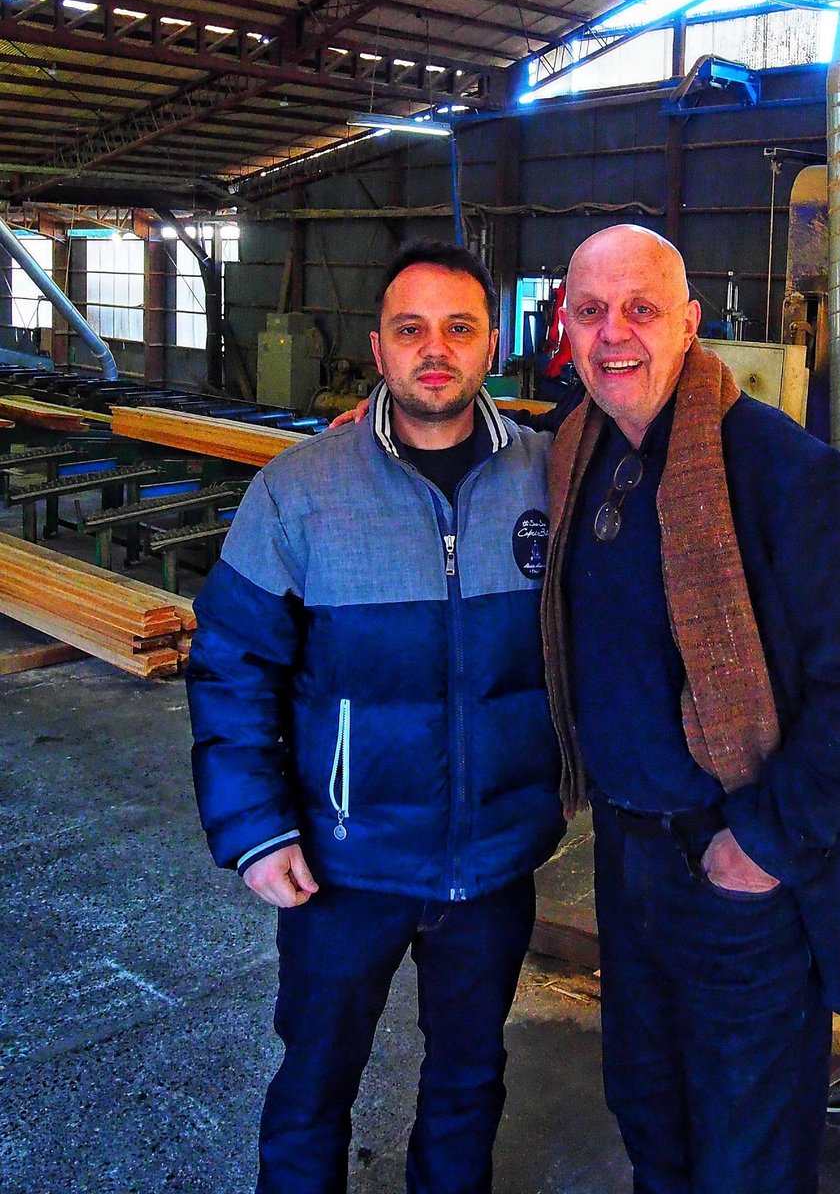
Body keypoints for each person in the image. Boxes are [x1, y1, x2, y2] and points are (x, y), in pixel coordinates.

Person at [539, 224, 840, 1194]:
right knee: (649, 1113)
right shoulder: (573, 455)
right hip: (628, 862)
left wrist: (765, 841)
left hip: (740, 875)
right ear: (563, 326)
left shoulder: (777, 470)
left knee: (744, 1146)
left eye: (641, 310)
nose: (614, 334)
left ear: (691, 325)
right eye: (590, 312)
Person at [187, 240, 564, 1194]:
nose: (434, 349)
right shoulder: (299, 490)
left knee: (469, 1082)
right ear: (378, 347)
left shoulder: (551, 480)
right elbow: (232, 666)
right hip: (342, 863)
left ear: (492, 349)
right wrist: (255, 830)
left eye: (458, 329)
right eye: (411, 330)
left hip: (493, 863)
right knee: (316, 1081)